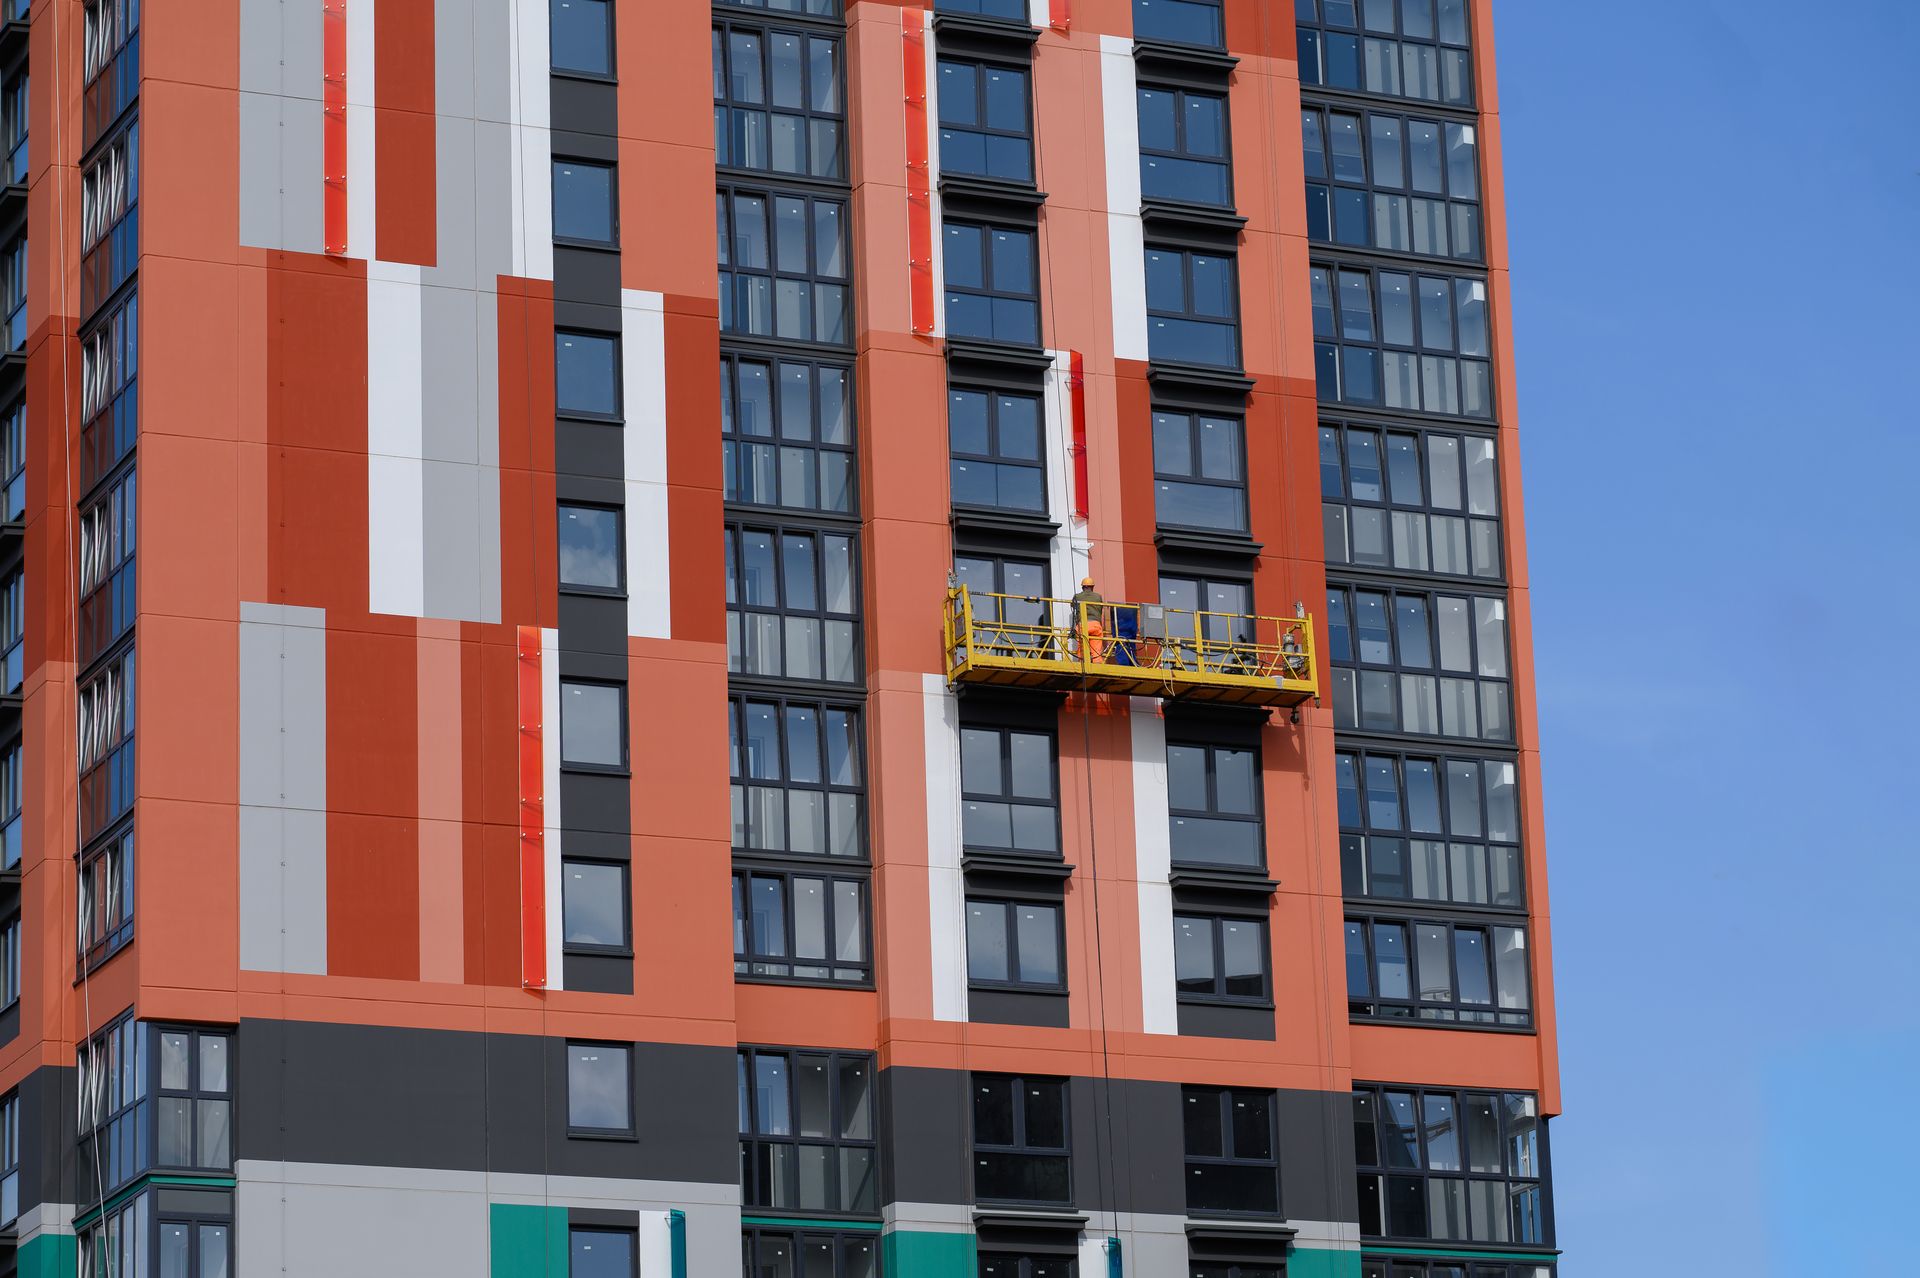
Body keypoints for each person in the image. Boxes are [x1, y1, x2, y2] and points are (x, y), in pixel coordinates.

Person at [1071, 575, 1107, 663]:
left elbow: (1072, 606)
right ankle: (1097, 665)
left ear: (1083, 587)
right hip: (1096, 625)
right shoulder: (1098, 597)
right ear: (1092, 587)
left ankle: (1082, 663)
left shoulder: (1077, 596)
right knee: (1096, 651)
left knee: (1082, 649)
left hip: (1083, 625)